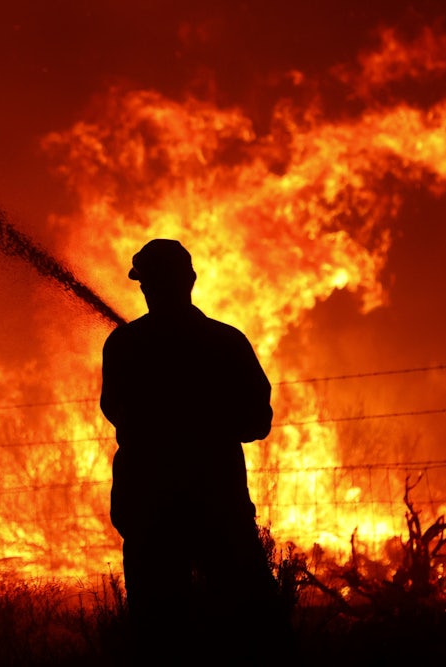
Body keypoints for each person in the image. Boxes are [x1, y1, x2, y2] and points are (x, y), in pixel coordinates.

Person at [100, 239, 283, 665]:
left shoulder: (125, 345)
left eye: (147, 282)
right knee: (252, 629)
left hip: (149, 511)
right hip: (216, 507)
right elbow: (256, 421)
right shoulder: (225, 342)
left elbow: (117, 413)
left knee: (159, 635)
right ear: (192, 280)